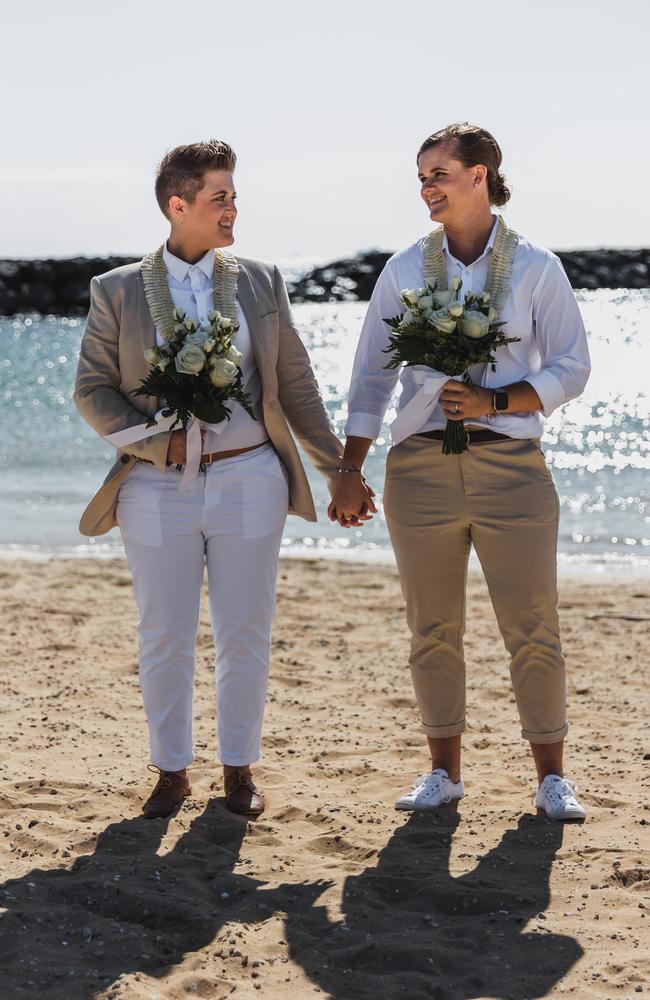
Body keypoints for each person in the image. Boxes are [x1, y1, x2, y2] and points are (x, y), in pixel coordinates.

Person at [74, 140, 343, 818]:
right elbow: (92, 390)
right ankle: (170, 771)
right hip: (155, 487)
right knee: (163, 631)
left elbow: (295, 384)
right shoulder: (116, 290)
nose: (233, 209)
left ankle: (238, 770)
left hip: (251, 479)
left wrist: (340, 468)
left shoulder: (260, 279)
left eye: (233, 196)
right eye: (220, 197)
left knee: (246, 629)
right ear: (179, 204)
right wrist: (154, 442)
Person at [329, 123, 591, 820]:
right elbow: (371, 376)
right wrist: (349, 469)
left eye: (439, 173)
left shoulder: (535, 266)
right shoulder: (405, 270)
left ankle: (550, 779)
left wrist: (494, 400)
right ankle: (443, 773)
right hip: (417, 467)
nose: (427, 188)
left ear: (480, 175)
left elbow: (572, 367)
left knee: (533, 623)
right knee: (432, 627)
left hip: (512, 465)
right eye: (421, 176)